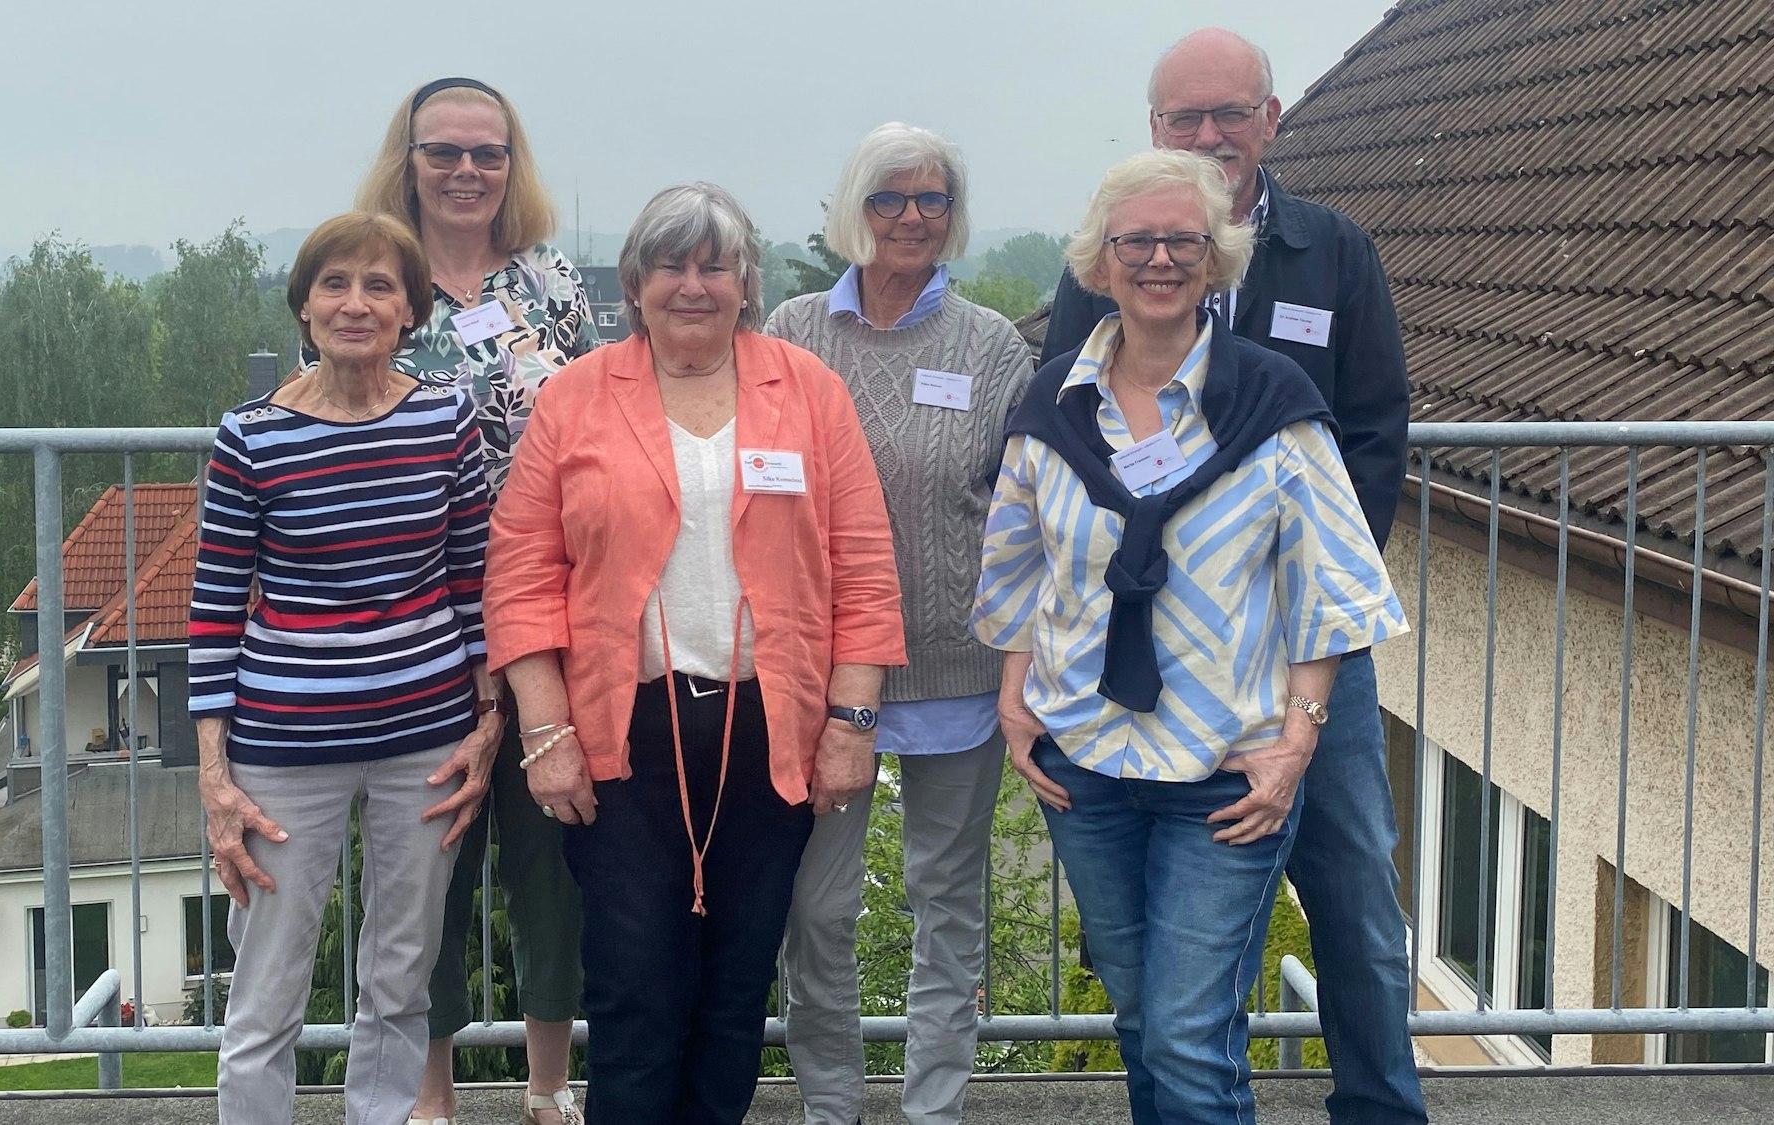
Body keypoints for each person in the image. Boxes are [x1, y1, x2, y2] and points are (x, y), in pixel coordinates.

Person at [973, 149, 1408, 1124]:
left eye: (1183, 241)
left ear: (1215, 261)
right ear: (1098, 262)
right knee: (1139, 1017)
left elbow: (1330, 585)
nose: (1158, 259)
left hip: (1225, 770)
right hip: (1084, 765)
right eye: (1136, 241)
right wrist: (1012, 700)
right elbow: (1015, 567)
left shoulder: (1272, 406)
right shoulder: (1050, 406)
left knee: (1186, 1032)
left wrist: (1298, 736)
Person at [484, 182, 907, 1125]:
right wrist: (545, 729)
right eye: (670, 264)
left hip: (773, 727)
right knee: (635, 983)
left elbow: (866, 569)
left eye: (714, 264)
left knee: (736, 988)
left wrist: (852, 720)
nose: (692, 284)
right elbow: (519, 575)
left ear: (745, 282)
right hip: (623, 730)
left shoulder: (808, 389)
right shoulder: (576, 398)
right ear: (634, 284)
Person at [190, 211, 500, 1125]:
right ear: (303, 304)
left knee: (401, 977)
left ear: (411, 310)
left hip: (429, 745)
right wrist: (214, 775)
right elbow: (212, 616)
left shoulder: (447, 417)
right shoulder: (250, 437)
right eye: (334, 283)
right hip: (285, 750)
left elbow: (472, 581)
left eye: (379, 285)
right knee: (266, 989)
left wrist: (490, 724)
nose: (355, 303)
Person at [764, 122, 1035, 1125]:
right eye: (889, 198)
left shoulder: (989, 344)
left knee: (945, 908)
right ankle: (828, 1106)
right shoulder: (791, 333)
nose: (911, 217)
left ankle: (931, 1111)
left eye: (930, 200)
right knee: (816, 909)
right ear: (852, 209)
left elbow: (1020, 515)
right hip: (823, 678)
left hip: (956, 666)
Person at [347, 75, 598, 1125]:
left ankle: (548, 1086)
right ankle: (429, 1096)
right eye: (442, 151)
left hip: (550, 618)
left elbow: (600, 428)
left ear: (511, 165)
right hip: (415, 625)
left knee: (553, 865)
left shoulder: (551, 285)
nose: (464, 171)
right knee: (424, 870)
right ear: (406, 160)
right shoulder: (370, 277)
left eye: (485, 154)